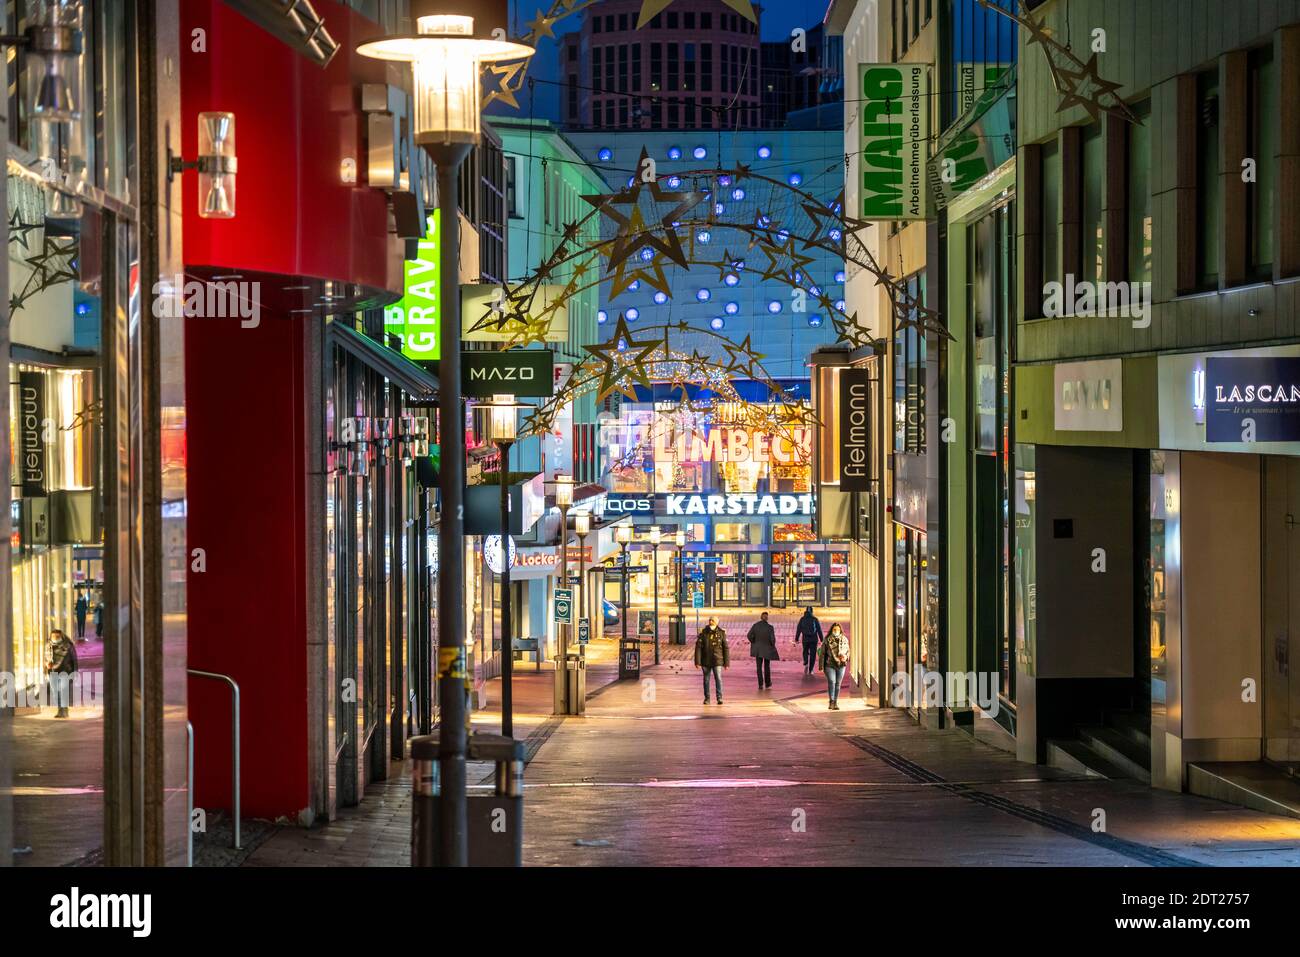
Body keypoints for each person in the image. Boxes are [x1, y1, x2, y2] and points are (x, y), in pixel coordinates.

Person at [694, 616, 729, 705]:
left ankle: (719, 697)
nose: (710, 621)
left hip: (717, 660)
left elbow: (726, 648)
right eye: (710, 620)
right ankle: (707, 698)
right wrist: (697, 661)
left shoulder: (721, 633)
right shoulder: (703, 632)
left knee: (718, 679)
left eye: (712, 620)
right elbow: (698, 648)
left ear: (717, 622)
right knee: (706, 680)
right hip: (705, 660)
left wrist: (726, 663)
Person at [45, 630, 78, 718]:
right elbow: (46, 658)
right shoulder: (48, 646)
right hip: (53, 672)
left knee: (63, 691)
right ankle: (60, 710)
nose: (55, 638)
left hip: (65, 672)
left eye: (57, 637)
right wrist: (47, 664)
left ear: (61, 637)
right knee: (56, 692)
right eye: (53, 636)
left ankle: (65, 711)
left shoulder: (68, 646)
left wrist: (75, 672)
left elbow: (74, 660)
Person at [819, 622, 850, 710]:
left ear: (840, 631)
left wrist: (846, 657)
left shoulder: (845, 640)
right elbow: (822, 654)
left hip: (841, 665)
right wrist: (821, 666)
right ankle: (831, 701)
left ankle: (835, 702)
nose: (836, 631)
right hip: (830, 665)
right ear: (831, 630)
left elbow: (848, 651)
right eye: (834, 630)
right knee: (832, 682)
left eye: (838, 630)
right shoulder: (827, 640)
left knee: (838, 684)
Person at [746, 611, 779, 690]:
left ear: (761, 617)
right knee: (767, 667)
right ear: (767, 618)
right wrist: (772, 645)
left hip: (758, 649)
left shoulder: (755, 626)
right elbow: (772, 639)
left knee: (759, 667)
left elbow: (749, 635)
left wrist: (754, 641)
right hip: (767, 649)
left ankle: (760, 684)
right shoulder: (770, 627)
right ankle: (767, 684)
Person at [795, 607, 823, 675]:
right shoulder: (815, 619)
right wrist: (822, 639)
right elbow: (819, 630)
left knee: (805, 651)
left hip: (805, 638)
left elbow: (799, 629)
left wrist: (797, 638)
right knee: (813, 654)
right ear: (812, 612)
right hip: (814, 639)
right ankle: (811, 670)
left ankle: (806, 662)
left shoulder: (802, 619)